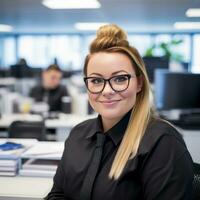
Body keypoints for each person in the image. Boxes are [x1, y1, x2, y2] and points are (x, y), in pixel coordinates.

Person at [46, 24, 194, 199]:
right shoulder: (78, 134)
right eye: (96, 80)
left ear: (139, 83)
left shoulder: (163, 143)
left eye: (120, 78)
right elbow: (57, 195)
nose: (107, 90)